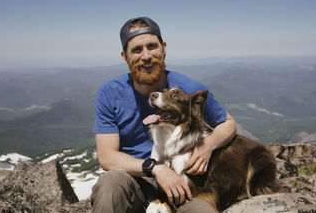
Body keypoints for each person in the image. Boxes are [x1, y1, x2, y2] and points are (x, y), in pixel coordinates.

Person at [91, 16, 236, 212]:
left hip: (184, 186)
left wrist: (208, 145)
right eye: (136, 50)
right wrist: (156, 168)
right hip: (135, 181)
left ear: (164, 48)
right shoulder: (109, 94)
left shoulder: (188, 90)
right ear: (125, 57)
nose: (146, 56)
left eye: (152, 46)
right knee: (110, 183)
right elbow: (107, 158)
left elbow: (227, 123)